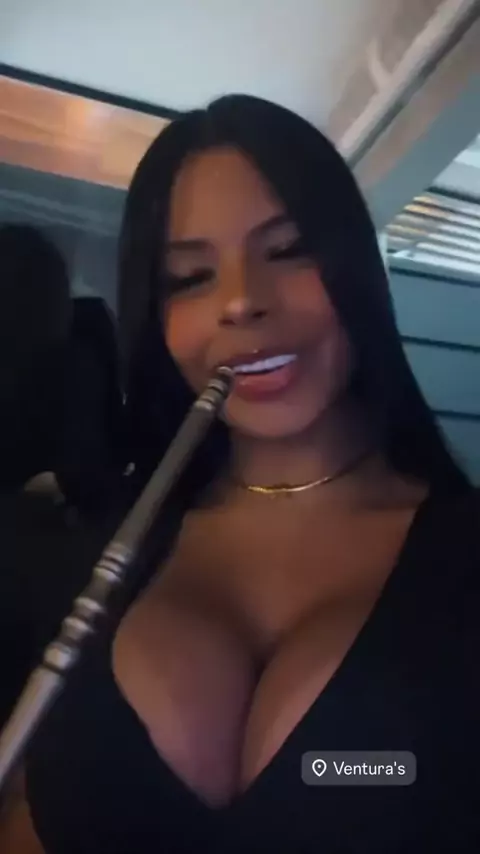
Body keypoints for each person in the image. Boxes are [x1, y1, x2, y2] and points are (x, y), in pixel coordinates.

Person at [2, 95, 479, 853]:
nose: (241, 301)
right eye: (190, 276)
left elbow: (382, 775)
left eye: (287, 250)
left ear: (356, 266)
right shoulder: (95, 549)